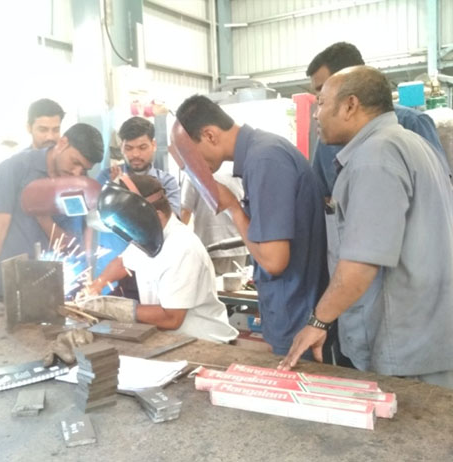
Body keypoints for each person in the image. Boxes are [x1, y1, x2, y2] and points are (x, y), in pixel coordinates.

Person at [278, 66, 453, 389]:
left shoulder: (376, 156)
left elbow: (362, 262)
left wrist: (318, 322)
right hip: (427, 335)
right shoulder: (411, 143)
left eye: (321, 103)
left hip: (407, 346)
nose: (316, 114)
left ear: (350, 105)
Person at [174, 95, 328, 356]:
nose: (193, 166)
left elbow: (274, 261)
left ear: (210, 135)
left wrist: (233, 208)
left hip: (297, 316)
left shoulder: (265, 159)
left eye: (190, 155)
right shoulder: (261, 154)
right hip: (290, 311)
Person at [0, 99, 103, 305]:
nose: (77, 172)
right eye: (75, 162)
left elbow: (73, 240)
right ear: (63, 144)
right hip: (15, 286)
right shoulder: (13, 169)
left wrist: (88, 279)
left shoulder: (77, 182)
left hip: (60, 287)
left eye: (84, 168)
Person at [86, 174, 238, 344]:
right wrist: (96, 286)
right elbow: (122, 263)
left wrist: (112, 308)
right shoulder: (148, 236)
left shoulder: (182, 248)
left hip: (203, 342)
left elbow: (171, 319)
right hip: (170, 339)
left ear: (156, 216)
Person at [307, 41, 449, 198]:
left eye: (322, 90)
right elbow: (322, 194)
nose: (318, 102)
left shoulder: (411, 123)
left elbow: (438, 187)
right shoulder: (328, 139)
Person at [95, 116, 180, 299]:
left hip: (151, 264)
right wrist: (114, 190)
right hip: (113, 267)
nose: (135, 155)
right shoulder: (107, 178)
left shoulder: (165, 182)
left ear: (153, 145)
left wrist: (128, 195)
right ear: (121, 147)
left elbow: (170, 221)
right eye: (129, 148)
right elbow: (95, 219)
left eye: (142, 147)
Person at [181, 170, 248, 276]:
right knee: (236, 284)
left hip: (209, 244)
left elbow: (185, 212)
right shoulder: (237, 169)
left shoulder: (193, 170)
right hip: (239, 244)